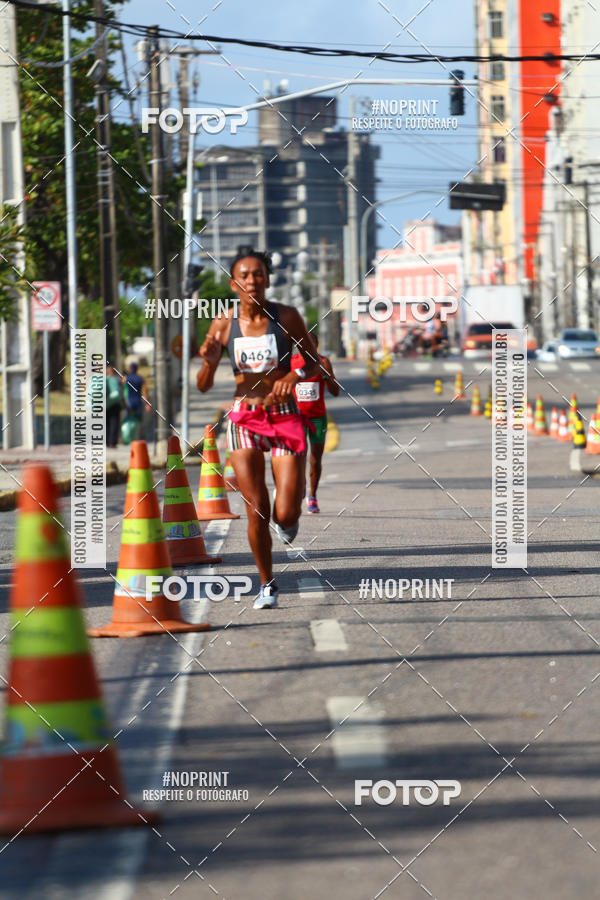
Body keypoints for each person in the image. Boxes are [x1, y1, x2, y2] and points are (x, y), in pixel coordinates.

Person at [196, 247, 320, 610]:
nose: (252, 281)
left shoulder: (287, 317)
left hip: (284, 415)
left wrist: (293, 376)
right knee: (256, 508)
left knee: (286, 512)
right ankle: (267, 584)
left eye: (258, 274)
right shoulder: (223, 323)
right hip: (245, 418)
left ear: (267, 280)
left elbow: (313, 362)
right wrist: (209, 363)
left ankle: (287, 519)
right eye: (245, 275)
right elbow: (203, 384)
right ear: (233, 283)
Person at [291, 333, 339, 514]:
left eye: (311, 345)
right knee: (299, 456)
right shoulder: (291, 362)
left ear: (316, 346)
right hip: (297, 418)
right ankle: (302, 484)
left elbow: (335, 392)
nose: (307, 349)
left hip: (317, 418)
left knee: (315, 459)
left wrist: (326, 376)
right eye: (303, 345)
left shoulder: (323, 362)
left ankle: (312, 496)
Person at [122, 361, 150, 426]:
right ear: (137, 369)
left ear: (130, 369)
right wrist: (147, 404)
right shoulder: (141, 378)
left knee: (128, 421)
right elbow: (145, 391)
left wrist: (123, 402)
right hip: (138, 402)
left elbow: (123, 391)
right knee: (138, 421)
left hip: (128, 402)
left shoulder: (125, 378)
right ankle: (139, 432)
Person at [106, 363, 123, 448]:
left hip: (105, 405)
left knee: (106, 423)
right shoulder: (117, 380)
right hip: (115, 405)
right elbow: (121, 394)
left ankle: (107, 442)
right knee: (114, 423)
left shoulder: (104, 380)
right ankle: (112, 443)